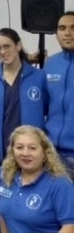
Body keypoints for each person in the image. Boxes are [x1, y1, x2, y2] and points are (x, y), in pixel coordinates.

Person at [0, 28, 45, 161]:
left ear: (18, 46)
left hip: (29, 150)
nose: (3, 52)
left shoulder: (39, 77)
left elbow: (49, 111)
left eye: (7, 46)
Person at [43, 11, 74, 176]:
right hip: (54, 154)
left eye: (73, 28)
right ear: (56, 34)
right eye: (62, 28)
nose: (67, 33)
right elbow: (44, 107)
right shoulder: (51, 63)